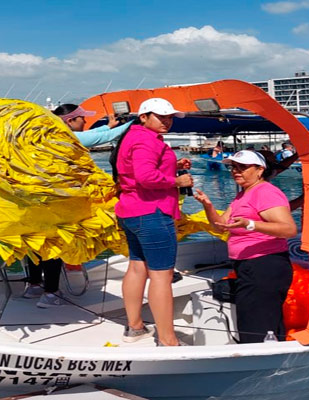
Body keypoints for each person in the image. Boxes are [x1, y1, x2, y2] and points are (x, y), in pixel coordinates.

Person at [23, 104, 134, 308]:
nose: (85, 121)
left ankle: (34, 285)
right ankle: (50, 293)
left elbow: (91, 135)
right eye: (82, 118)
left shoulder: (46, 131)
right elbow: (97, 139)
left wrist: (107, 126)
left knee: (37, 242)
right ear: (69, 121)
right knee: (57, 243)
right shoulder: (61, 135)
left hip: (38, 199)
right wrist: (135, 123)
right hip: (57, 201)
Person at [194, 150, 297, 343]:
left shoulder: (265, 192)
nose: (236, 171)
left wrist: (250, 224)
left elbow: (289, 229)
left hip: (265, 265)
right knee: (257, 323)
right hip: (248, 266)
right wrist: (208, 206)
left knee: (257, 327)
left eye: (242, 167)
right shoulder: (243, 195)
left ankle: (263, 365)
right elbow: (221, 225)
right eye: (233, 167)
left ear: (260, 170)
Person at [115, 98, 193, 346]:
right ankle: (168, 339)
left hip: (131, 211)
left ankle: (135, 327)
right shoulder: (146, 140)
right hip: (152, 212)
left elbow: (137, 170)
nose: (167, 121)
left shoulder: (135, 137)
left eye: (169, 117)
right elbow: (146, 176)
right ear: (144, 117)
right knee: (161, 275)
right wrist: (176, 182)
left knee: (137, 267)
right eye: (161, 116)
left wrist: (173, 165)